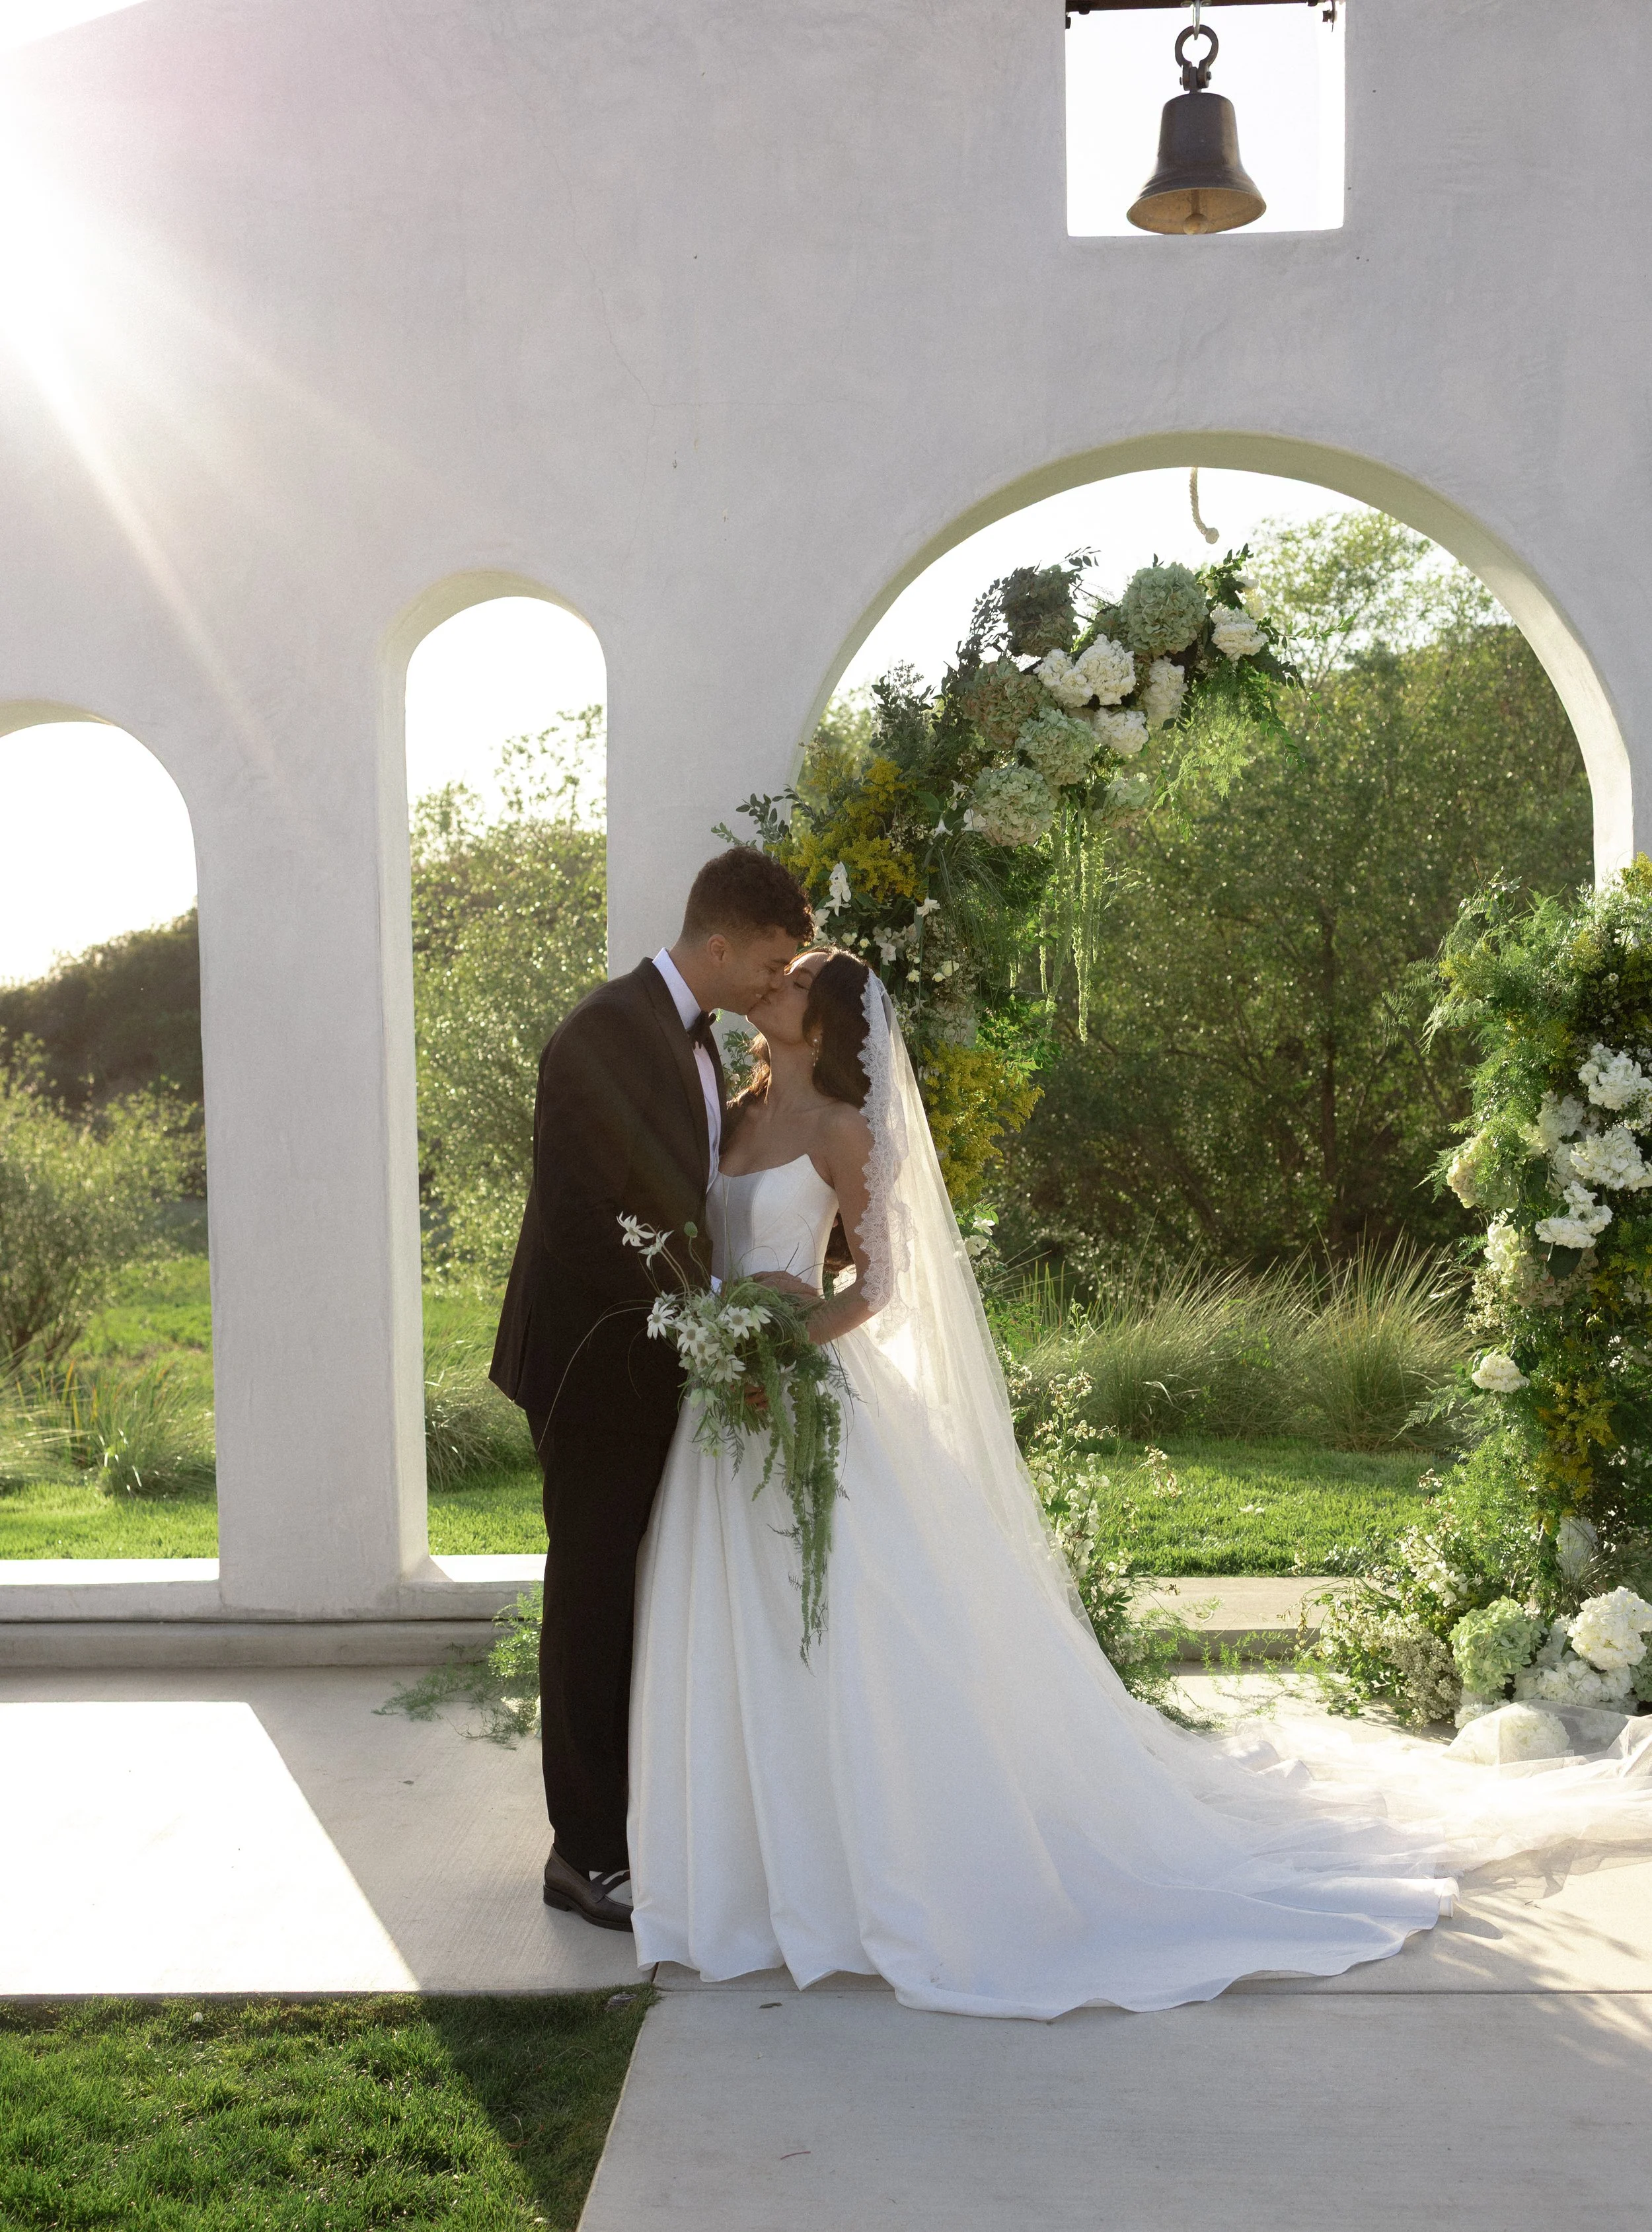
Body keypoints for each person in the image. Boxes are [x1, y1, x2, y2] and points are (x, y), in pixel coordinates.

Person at [625, 950, 1652, 2018]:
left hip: (805, 1393)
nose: (768, 994)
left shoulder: (844, 1132)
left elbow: (883, 1281)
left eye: (790, 986)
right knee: (733, 1624)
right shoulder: (732, 1118)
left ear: (826, 1028)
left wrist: (792, 1339)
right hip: (724, 1407)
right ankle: (745, 1872)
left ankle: (869, 1871)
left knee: (849, 1622)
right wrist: (723, 1335)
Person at [490, 847, 813, 1931]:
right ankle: (580, 1855)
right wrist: (701, 1309)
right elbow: (584, 1223)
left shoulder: (702, 1042)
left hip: (658, 1357)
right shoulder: (599, 1033)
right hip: (592, 1362)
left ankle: (636, 1822)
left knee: (631, 1589)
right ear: (718, 945)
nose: (779, 984)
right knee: (590, 1592)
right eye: (770, 964)